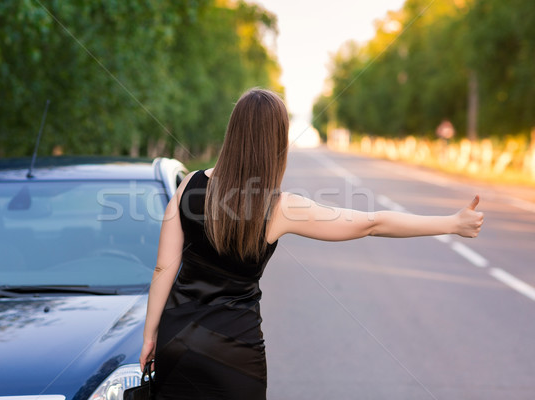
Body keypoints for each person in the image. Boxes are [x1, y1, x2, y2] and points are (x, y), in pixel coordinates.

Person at [139, 88, 484, 399]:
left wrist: (150, 337)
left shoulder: (189, 186)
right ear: (277, 141)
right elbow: (372, 223)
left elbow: (163, 268)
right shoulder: (279, 206)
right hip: (236, 352)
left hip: (177, 340)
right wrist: (451, 223)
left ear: (234, 132)